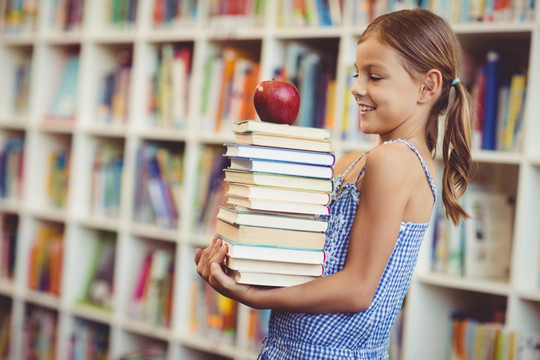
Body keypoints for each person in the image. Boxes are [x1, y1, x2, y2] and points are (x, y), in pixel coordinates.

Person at [195, 8, 474, 360]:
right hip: (286, 348)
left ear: (428, 86)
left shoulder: (395, 162)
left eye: (375, 77)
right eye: (358, 74)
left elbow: (357, 290)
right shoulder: (351, 162)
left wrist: (253, 297)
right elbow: (311, 266)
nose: (356, 88)